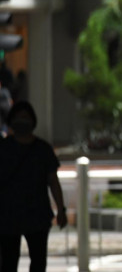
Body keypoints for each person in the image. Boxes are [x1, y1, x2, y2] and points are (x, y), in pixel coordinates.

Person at [0, 101, 67, 272]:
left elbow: (54, 181)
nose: (22, 121)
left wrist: (61, 209)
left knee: (37, 262)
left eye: (25, 117)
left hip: (35, 214)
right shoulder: (4, 148)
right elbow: (53, 181)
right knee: (9, 261)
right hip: (9, 215)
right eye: (19, 117)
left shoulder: (43, 150)